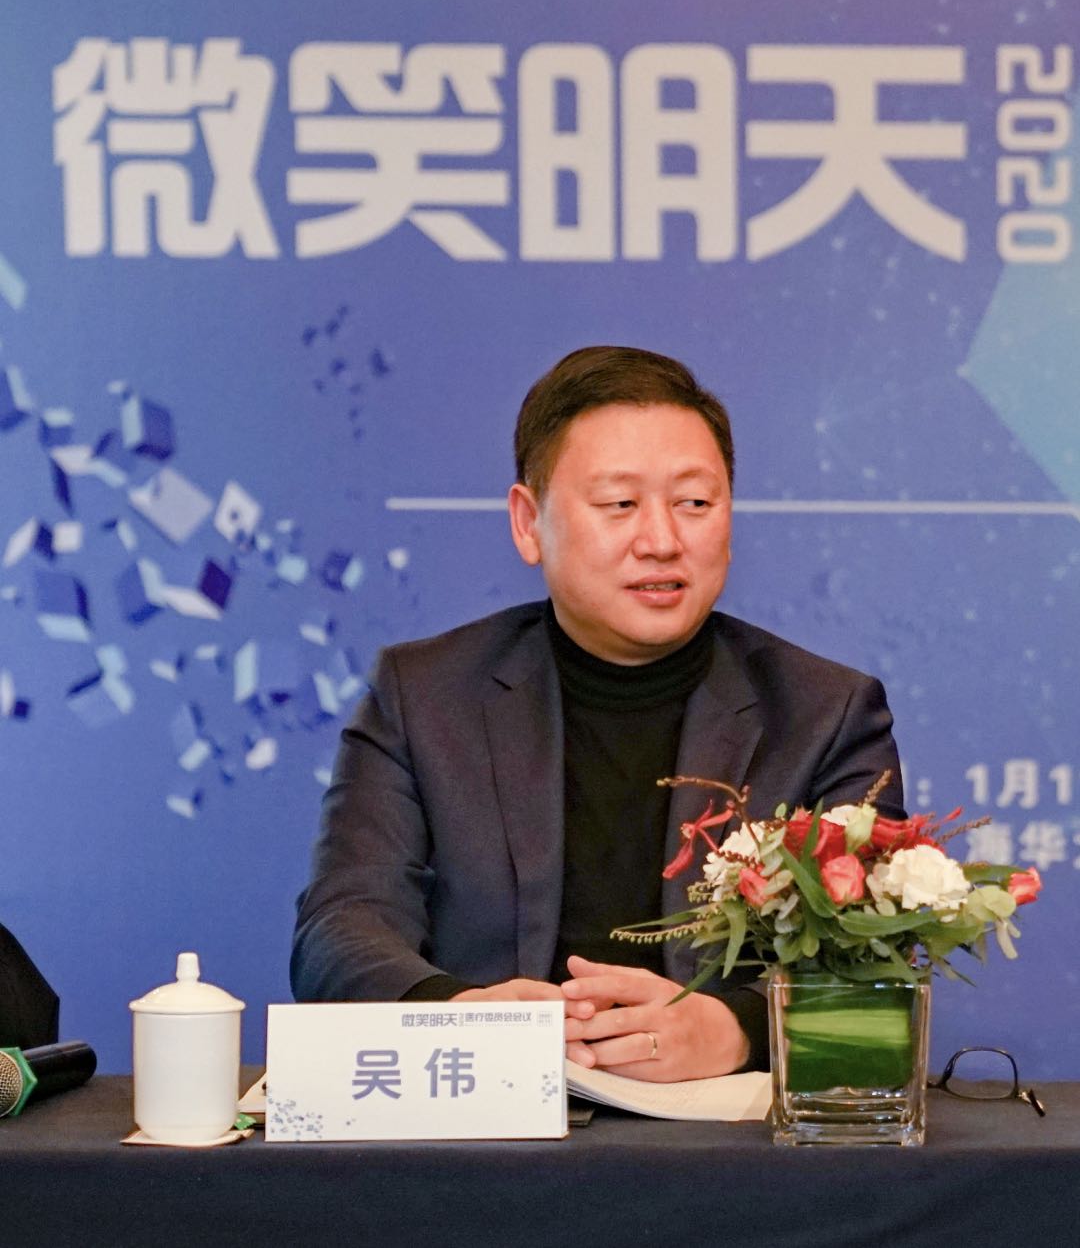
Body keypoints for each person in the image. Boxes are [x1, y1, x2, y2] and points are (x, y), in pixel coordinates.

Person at [291, 346, 903, 1081]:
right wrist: (461, 1015)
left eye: (694, 503)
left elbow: (878, 975)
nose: (661, 541)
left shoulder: (825, 714)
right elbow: (340, 929)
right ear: (529, 523)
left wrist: (737, 1029)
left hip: (720, 1133)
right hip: (491, 1121)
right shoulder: (423, 696)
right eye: (619, 504)